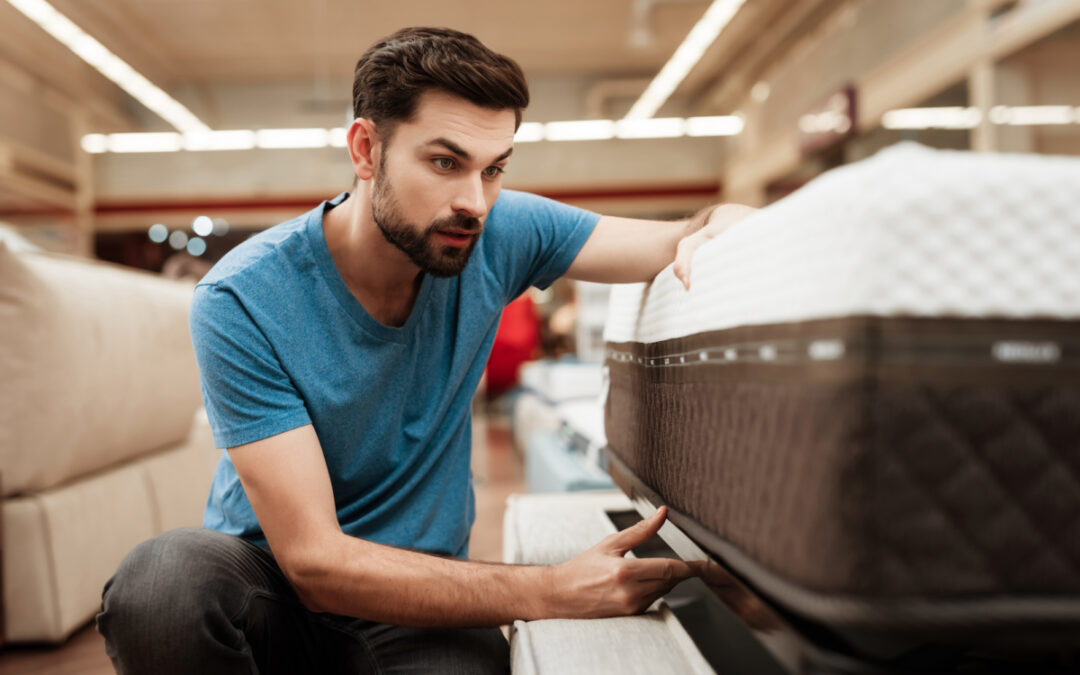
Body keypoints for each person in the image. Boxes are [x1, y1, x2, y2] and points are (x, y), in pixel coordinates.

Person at [96, 26, 753, 674]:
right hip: (274, 592)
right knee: (160, 584)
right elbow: (315, 563)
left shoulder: (499, 232)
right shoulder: (243, 297)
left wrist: (731, 225)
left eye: (494, 169)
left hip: (419, 600)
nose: (474, 201)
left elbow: (683, 236)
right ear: (365, 149)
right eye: (445, 162)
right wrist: (549, 588)